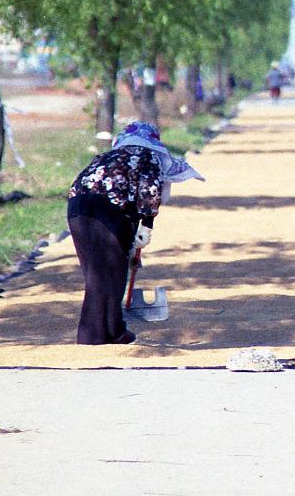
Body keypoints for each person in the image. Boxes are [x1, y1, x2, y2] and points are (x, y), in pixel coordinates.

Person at [67, 122, 203, 345]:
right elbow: (149, 191)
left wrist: (128, 249)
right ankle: (94, 336)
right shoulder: (148, 156)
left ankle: (113, 330)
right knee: (108, 274)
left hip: (77, 209)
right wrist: (147, 225)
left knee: (97, 272)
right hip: (108, 210)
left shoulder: (108, 156)